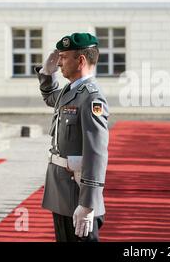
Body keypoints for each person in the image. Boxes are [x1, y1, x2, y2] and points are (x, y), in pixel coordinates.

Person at [35, 32, 109, 242]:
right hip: (61, 191)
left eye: (64, 57)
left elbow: (96, 154)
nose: (59, 63)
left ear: (81, 60)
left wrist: (87, 204)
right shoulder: (72, 89)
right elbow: (51, 97)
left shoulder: (91, 97)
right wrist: (47, 74)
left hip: (77, 192)